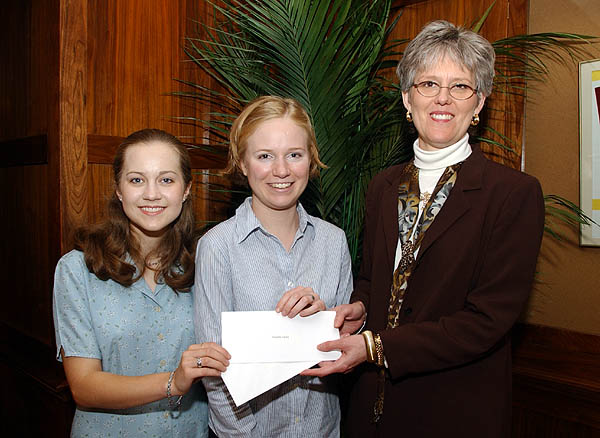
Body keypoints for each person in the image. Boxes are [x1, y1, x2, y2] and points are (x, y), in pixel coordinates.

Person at [302, 20, 545, 437]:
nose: (443, 98)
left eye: (461, 87)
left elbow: (487, 320)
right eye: (428, 83)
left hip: (455, 407)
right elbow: (373, 277)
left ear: (480, 103)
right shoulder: (384, 184)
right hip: (371, 407)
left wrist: (374, 347)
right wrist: (359, 309)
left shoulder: (512, 193)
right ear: (407, 99)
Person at [53, 128, 231, 438]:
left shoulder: (207, 264)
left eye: (166, 179)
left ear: (186, 189)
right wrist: (172, 382)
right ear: (119, 190)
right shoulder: (77, 270)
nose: (152, 194)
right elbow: (83, 386)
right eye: (137, 180)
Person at [194, 96, 353, 437]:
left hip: (322, 430)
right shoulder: (217, 247)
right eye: (264, 156)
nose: (281, 170)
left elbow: (346, 351)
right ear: (242, 163)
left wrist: (326, 324)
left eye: (294, 154)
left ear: (311, 159)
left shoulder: (333, 242)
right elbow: (213, 369)